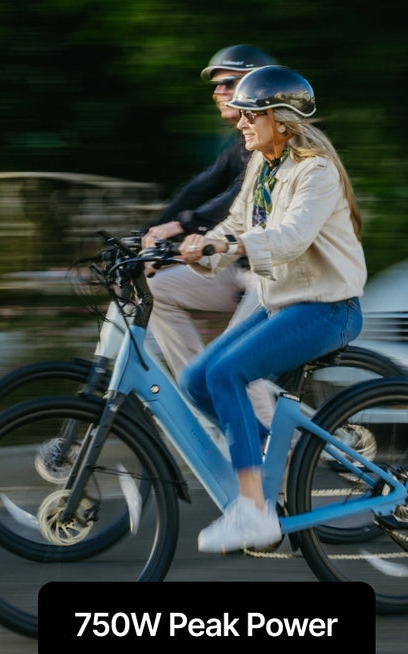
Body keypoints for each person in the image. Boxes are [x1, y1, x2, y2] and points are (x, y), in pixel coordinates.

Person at [176, 66, 368, 553]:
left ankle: (254, 510)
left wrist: (233, 244)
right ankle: (266, 462)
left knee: (227, 375)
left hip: (327, 306)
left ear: (280, 120)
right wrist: (202, 244)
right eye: (240, 114)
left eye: (251, 114)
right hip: (282, 301)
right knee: (196, 379)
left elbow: (291, 237)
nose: (240, 121)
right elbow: (236, 221)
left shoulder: (316, 171)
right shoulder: (264, 166)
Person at [141, 45, 277, 426]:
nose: (216, 93)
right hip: (238, 268)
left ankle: (276, 466)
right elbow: (202, 187)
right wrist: (151, 232)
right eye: (216, 87)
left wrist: (183, 225)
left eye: (227, 84)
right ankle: (204, 403)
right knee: (160, 290)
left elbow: (238, 197)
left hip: (273, 275)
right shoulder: (239, 141)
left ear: (256, 87)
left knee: (232, 363)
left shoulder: (274, 143)